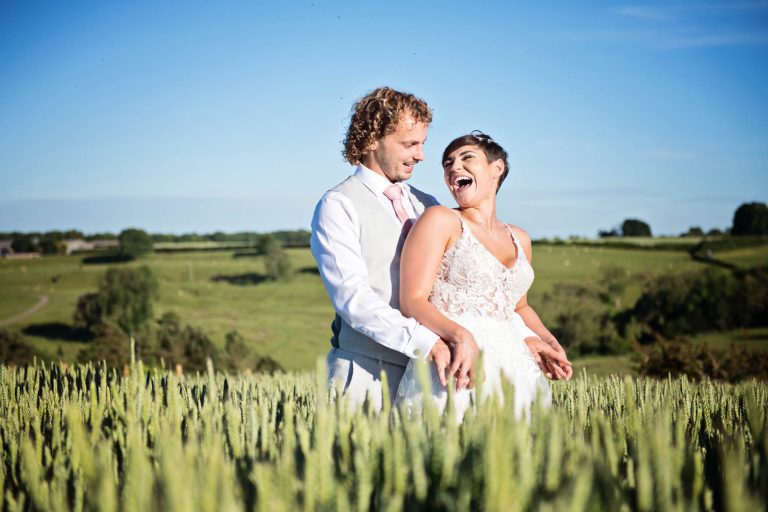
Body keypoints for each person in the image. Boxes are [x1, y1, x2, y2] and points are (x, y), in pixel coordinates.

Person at [396, 131, 573, 421]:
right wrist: (461, 337)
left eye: (467, 159)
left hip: (515, 367)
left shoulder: (520, 238)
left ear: (497, 168)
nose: (454, 168)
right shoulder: (440, 220)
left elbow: (518, 307)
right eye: (448, 163)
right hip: (458, 363)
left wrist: (547, 340)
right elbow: (413, 300)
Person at [310, 87, 464, 410]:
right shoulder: (338, 205)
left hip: (429, 381)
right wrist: (425, 342)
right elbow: (353, 299)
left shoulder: (428, 205)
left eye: (423, 144)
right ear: (370, 141)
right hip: (363, 379)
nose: (421, 155)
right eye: (410, 144)